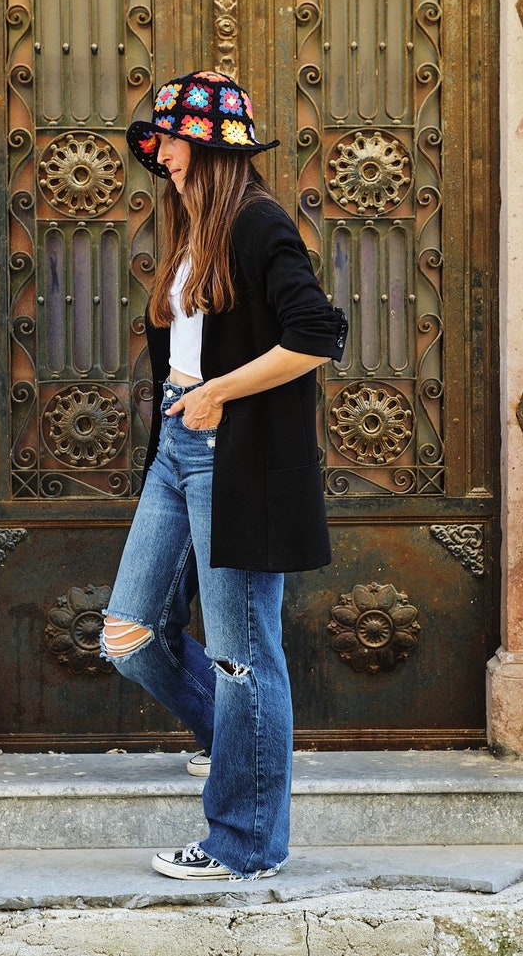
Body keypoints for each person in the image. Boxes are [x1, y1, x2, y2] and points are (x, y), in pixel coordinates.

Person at [101, 70, 347, 881]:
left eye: (174, 139)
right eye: (161, 140)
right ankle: (231, 737)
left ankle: (244, 843)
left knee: (246, 656)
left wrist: (215, 395)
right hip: (180, 445)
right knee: (131, 634)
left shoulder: (257, 223)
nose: (162, 153)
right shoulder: (194, 231)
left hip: (233, 455)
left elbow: (317, 333)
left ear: (211, 150)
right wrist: (191, 401)